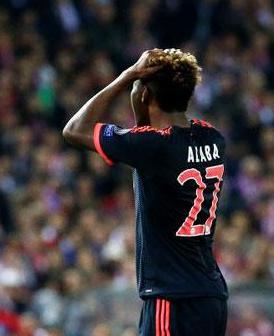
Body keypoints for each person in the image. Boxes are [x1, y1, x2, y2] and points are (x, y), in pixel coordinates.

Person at [62, 49, 228, 335]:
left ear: (144, 96)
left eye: (138, 89)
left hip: (171, 298)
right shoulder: (213, 137)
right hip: (211, 297)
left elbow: (75, 129)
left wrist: (127, 76)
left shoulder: (150, 146)